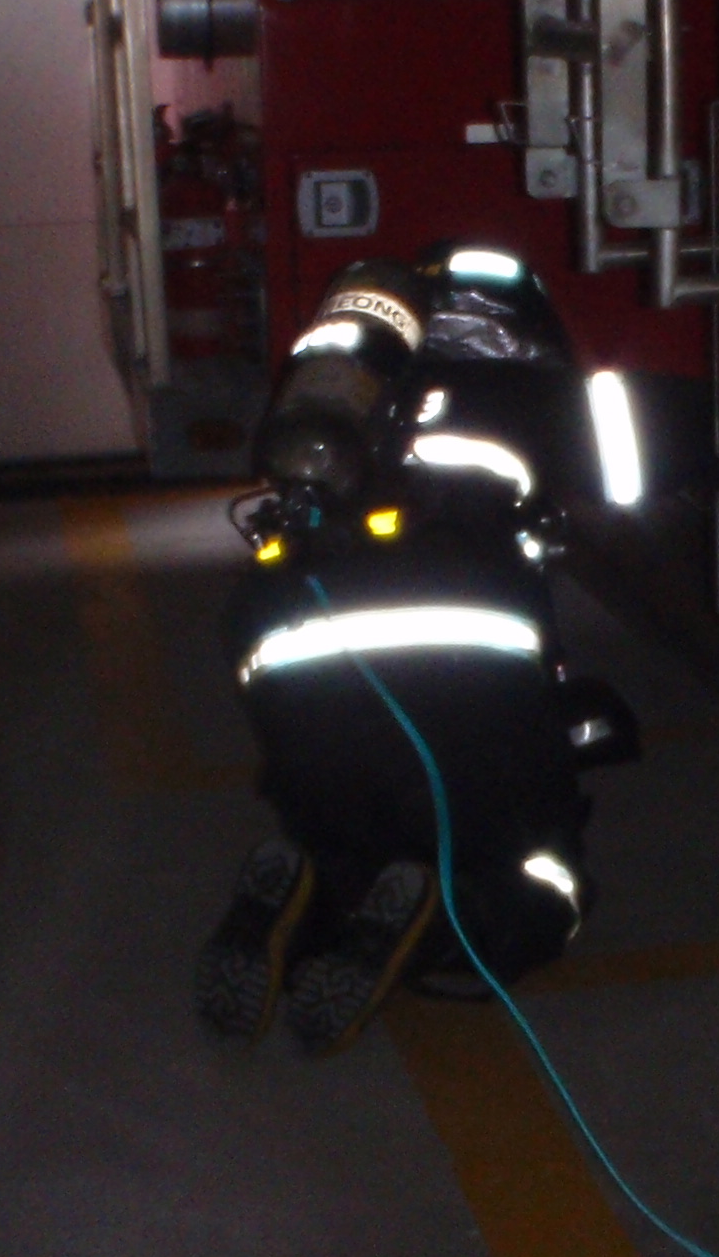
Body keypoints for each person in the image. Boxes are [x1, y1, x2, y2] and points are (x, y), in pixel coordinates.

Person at [198, 245, 639, 1051]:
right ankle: (445, 921)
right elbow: (597, 507)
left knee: (353, 845)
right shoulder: (527, 386)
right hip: (463, 656)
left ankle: (303, 899)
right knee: (543, 883)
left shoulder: (346, 393)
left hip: (289, 656)